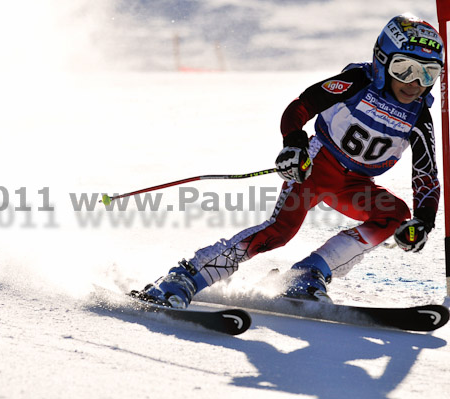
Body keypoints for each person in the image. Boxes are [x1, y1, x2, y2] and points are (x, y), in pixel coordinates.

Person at [133, 13, 444, 308]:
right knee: (279, 231)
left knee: (395, 215)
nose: (414, 82)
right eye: (404, 68)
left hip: (355, 185)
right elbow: (301, 105)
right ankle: (185, 276)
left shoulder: (419, 118)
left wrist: (424, 221)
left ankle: (308, 274)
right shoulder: (356, 82)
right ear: (381, 61)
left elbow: (426, 178)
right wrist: (294, 145)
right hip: (315, 166)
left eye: (427, 73)